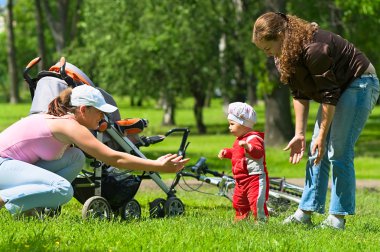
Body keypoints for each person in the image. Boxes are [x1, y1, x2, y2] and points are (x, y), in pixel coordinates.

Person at [252, 12, 379, 229]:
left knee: (337, 150)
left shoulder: (314, 49)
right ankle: (306, 211)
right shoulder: (283, 55)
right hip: (336, 91)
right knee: (315, 149)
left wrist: (321, 134)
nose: (267, 54)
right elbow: (298, 92)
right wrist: (299, 133)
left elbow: (329, 94)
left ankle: (337, 219)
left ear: (281, 35)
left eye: (267, 48)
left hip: (359, 83)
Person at [0, 84, 189, 217]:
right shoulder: (70, 126)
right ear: (83, 110)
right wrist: (157, 165)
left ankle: (27, 206)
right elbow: (113, 157)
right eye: (99, 111)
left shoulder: (63, 119)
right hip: (3, 165)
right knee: (63, 190)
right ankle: (5, 199)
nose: (103, 116)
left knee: (75, 157)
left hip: (10, 166)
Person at [218, 102, 269, 222]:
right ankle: (241, 220)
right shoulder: (239, 140)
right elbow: (237, 154)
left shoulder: (253, 138)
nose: (229, 127)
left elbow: (258, 152)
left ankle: (261, 222)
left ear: (244, 124)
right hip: (240, 179)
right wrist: (227, 152)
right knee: (239, 202)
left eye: (232, 124)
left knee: (256, 201)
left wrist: (248, 147)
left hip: (254, 178)